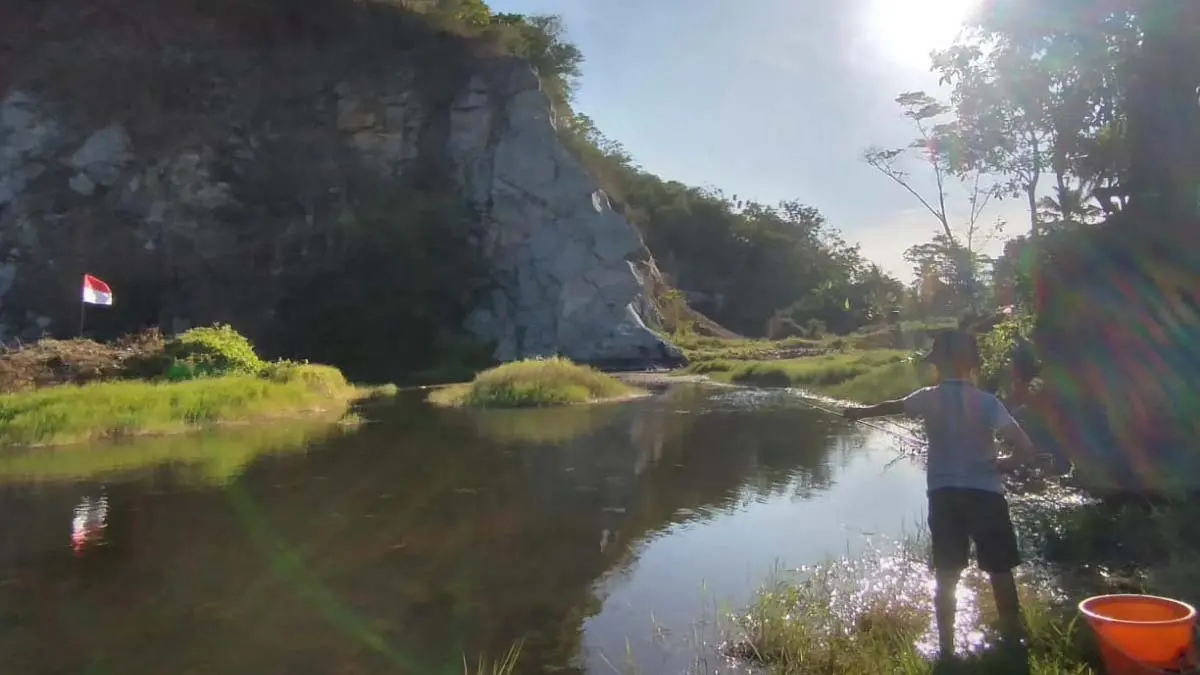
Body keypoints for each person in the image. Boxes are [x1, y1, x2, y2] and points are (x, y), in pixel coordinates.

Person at [842, 329, 1038, 661]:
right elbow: (1025, 449)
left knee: (947, 575)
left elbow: (892, 406)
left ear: (939, 366)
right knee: (1001, 570)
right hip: (987, 495)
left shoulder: (928, 397)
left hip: (944, 496)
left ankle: (946, 648)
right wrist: (1003, 465)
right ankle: (1011, 642)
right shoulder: (988, 403)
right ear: (972, 365)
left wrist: (858, 413)